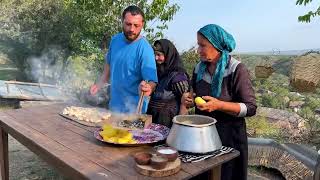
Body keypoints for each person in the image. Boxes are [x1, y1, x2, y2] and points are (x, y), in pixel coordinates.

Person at [180, 24, 257, 180]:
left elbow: (250, 108)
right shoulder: (198, 69)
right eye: (198, 45)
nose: (198, 50)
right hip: (202, 138)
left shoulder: (236, 69)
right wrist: (188, 99)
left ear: (217, 46)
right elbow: (194, 95)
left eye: (202, 45)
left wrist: (219, 105)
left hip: (229, 139)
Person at [90, 5, 157, 114]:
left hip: (133, 113)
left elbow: (152, 81)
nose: (132, 29)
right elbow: (107, 72)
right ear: (122, 21)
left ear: (142, 25)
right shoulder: (115, 40)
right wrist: (98, 85)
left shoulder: (145, 49)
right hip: (113, 108)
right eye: (128, 24)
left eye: (136, 25)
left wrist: (148, 87)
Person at [147, 39, 189, 128]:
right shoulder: (157, 73)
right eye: (154, 54)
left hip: (170, 124)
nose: (156, 58)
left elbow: (185, 103)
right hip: (154, 123)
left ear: (168, 55)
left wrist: (180, 127)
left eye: (159, 55)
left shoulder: (178, 77)